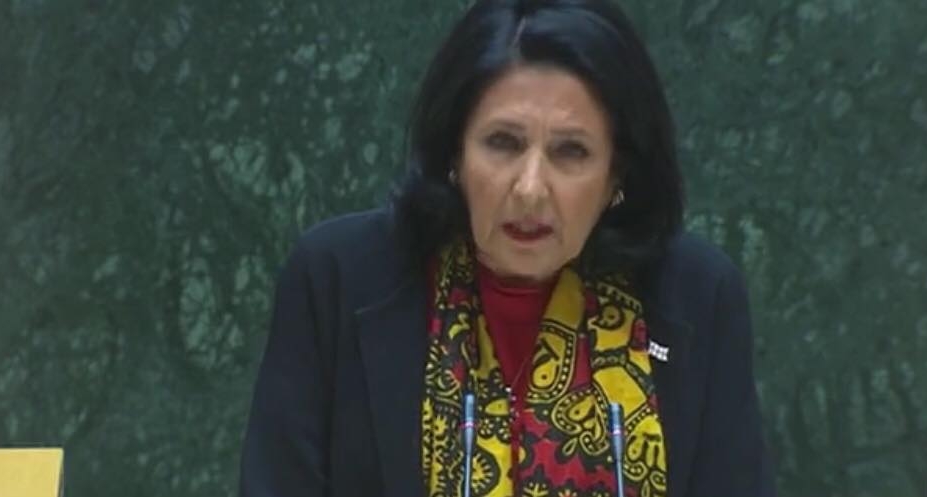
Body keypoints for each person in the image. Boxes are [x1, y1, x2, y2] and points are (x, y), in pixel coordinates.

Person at [239, 0, 775, 496]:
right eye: (503, 143)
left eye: (571, 152)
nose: (530, 189)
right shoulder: (338, 277)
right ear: (454, 152)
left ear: (618, 174)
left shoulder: (699, 295)